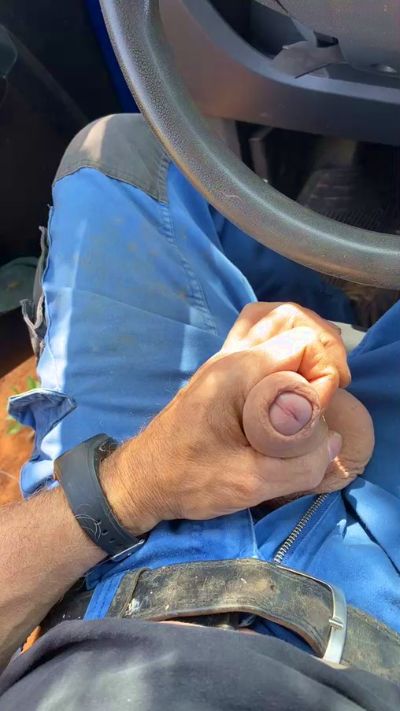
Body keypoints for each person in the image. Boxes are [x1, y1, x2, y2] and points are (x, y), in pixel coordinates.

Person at [0, 114, 399, 709]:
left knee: (127, 155)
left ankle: (328, 302)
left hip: (118, 558)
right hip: (380, 624)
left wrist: (134, 485)